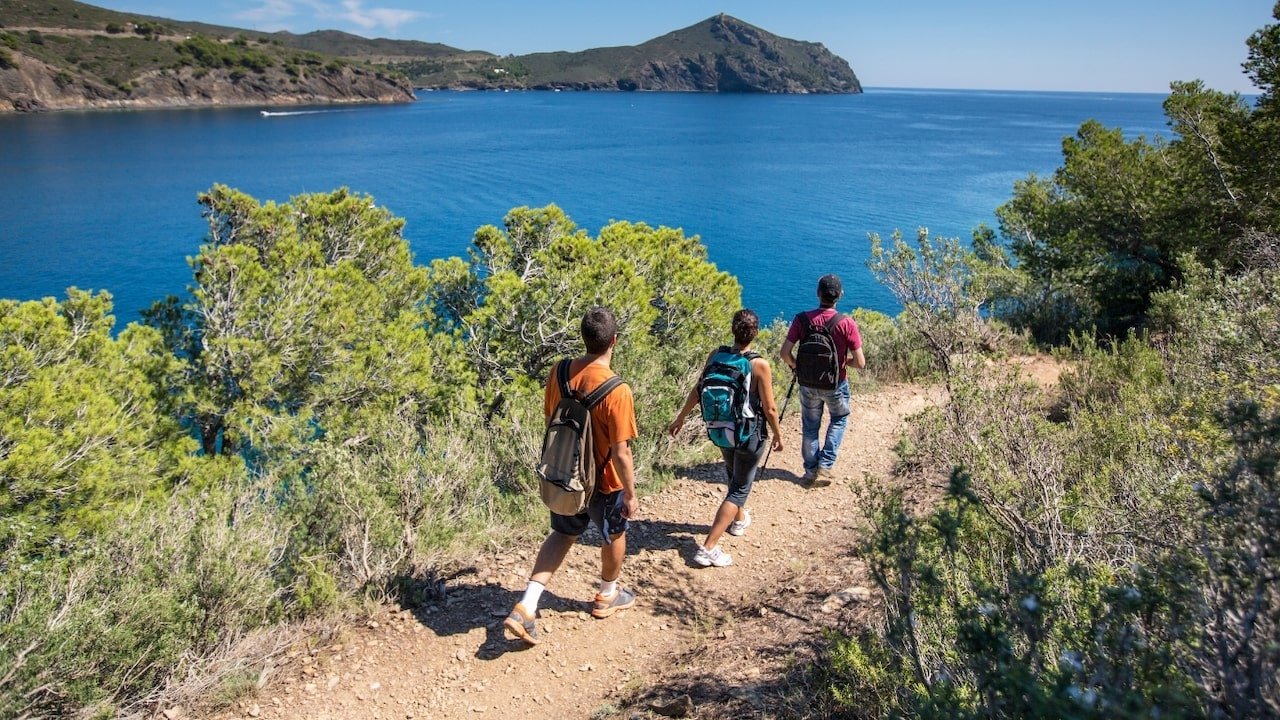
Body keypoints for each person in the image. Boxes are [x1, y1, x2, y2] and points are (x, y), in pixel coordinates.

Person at [504, 307, 640, 645]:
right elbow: (621, 451)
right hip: (604, 482)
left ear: (584, 338)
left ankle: (526, 605)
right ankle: (607, 595)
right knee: (614, 535)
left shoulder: (559, 371)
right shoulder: (617, 390)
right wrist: (630, 492)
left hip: (565, 474)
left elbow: (551, 416)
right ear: (614, 341)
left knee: (562, 534)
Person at [667, 309, 783, 568]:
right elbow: (770, 408)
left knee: (734, 474)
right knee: (740, 488)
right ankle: (708, 548)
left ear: (732, 330)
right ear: (756, 333)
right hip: (749, 433)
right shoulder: (758, 364)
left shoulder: (715, 356)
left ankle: (739, 521)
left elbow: (697, 391)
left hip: (720, 429)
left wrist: (680, 419)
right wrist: (777, 435)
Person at [780, 274, 865, 486]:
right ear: (840, 295)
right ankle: (826, 463)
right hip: (836, 383)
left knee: (810, 426)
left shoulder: (801, 320)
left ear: (818, 293)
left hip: (807, 383)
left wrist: (795, 367)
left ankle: (810, 471)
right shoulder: (846, 323)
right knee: (839, 419)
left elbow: (785, 353)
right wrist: (843, 363)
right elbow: (860, 362)